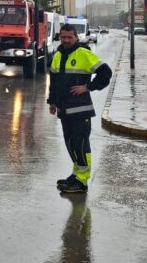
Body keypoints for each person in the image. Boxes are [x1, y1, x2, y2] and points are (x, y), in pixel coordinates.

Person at [48, 23, 112, 193]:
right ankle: (76, 175)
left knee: (80, 143)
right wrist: (52, 102)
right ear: (59, 37)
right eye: (63, 37)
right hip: (64, 110)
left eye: (70, 37)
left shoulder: (84, 53)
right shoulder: (57, 54)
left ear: (76, 37)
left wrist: (88, 87)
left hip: (80, 109)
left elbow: (106, 73)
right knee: (71, 144)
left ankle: (82, 181)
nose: (66, 40)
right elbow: (54, 82)